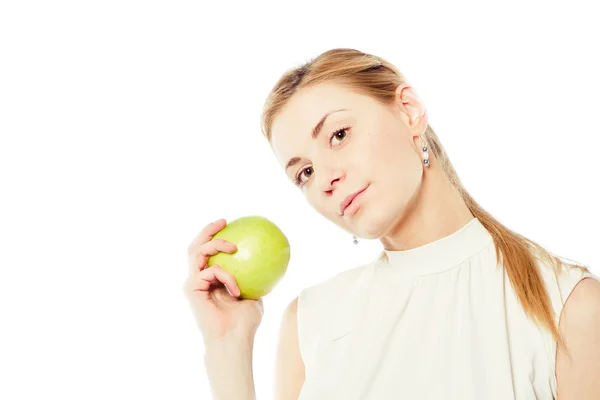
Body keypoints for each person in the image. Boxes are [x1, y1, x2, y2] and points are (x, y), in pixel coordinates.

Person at [184, 48, 600, 399]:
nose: (325, 179)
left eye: (339, 135)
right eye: (304, 173)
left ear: (409, 111)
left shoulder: (567, 304)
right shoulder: (310, 321)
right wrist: (227, 349)